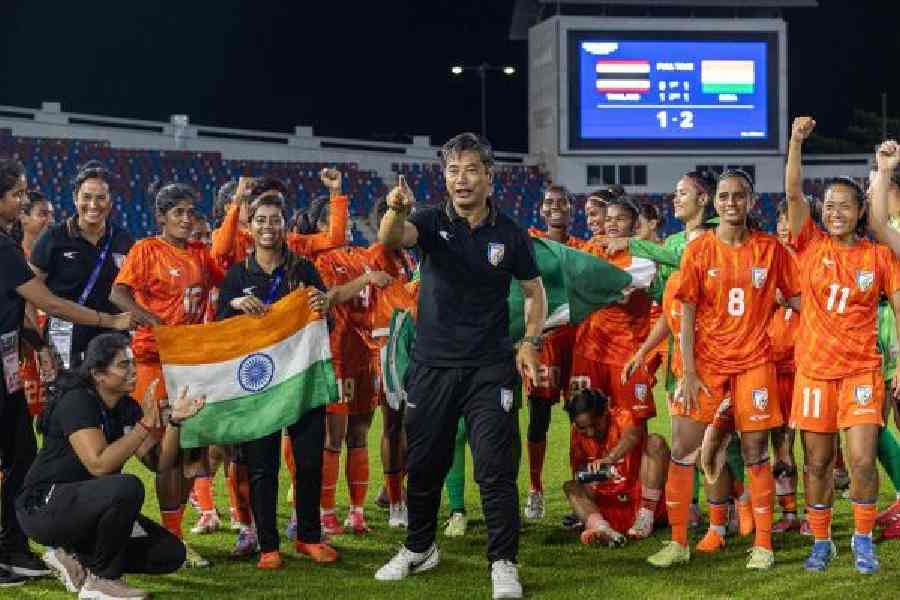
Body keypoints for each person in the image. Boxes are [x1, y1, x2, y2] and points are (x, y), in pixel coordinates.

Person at [374, 133, 545, 600]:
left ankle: (503, 563)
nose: (461, 179)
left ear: (490, 177)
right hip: (432, 367)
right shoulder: (428, 222)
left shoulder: (510, 234)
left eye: (471, 170)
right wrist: (396, 208)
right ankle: (419, 548)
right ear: (444, 177)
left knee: (494, 469)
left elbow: (534, 291)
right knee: (425, 464)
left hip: (490, 368)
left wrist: (529, 341)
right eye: (453, 170)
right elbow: (391, 237)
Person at [216, 190, 388, 569]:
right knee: (262, 467)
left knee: (308, 462)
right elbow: (218, 328)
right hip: (258, 386)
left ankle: (309, 537)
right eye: (260, 220)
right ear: (250, 225)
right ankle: (268, 546)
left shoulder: (303, 270)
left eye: (275, 220)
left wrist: (320, 306)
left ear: (284, 226)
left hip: (301, 381)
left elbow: (323, 316)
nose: (267, 227)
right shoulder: (237, 277)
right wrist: (233, 305)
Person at [648, 168, 797, 571]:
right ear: (715, 204)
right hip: (707, 368)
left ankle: (763, 544)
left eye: (739, 196)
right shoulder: (698, 250)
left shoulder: (771, 249)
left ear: (751, 202)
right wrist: (690, 372)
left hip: (755, 365)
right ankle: (678, 541)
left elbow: (799, 299)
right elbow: (687, 315)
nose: (732, 203)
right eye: (724, 197)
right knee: (682, 450)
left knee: (755, 453)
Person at [0, 158, 133, 588]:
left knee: (23, 452)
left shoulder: (9, 238)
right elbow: (44, 301)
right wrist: (106, 322)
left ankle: (18, 547)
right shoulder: (32, 243)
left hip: (16, 364)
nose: (24, 202)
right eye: (18, 194)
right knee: (38, 448)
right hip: (58, 354)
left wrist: (30, 343)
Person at [785, 119, 900, 574]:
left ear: (859, 212)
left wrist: (883, 171)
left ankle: (862, 538)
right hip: (814, 372)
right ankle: (820, 542)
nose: (835, 213)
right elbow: (794, 193)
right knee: (816, 464)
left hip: (861, 372)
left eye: (844, 207)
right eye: (829, 206)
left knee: (861, 460)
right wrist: (796, 143)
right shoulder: (809, 244)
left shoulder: (879, 256)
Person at [16, 333, 203, 599]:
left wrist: (175, 422)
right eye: (123, 365)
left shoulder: (126, 407)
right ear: (98, 374)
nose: (133, 371)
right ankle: (101, 580)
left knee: (170, 554)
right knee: (126, 487)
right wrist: (144, 426)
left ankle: (75, 558)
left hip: (89, 507)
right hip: (45, 506)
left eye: (132, 363)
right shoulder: (78, 400)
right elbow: (99, 465)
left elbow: (160, 463)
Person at [110, 182, 225, 568]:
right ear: (161, 217)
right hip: (153, 363)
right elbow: (118, 293)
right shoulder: (146, 250)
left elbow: (229, 280)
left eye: (191, 213)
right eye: (178, 212)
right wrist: (150, 319)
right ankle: (163, 536)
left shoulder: (200, 254)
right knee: (163, 456)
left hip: (191, 365)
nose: (187, 219)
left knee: (191, 454)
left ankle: (175, 537)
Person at [29, 162, 135, 371]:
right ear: (75, 199)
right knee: (67, 400)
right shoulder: (53, 238)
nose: (93, 205)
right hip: (65, 340)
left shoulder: (124, 240)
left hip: (112, 340)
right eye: (86, 197)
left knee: (112, 401)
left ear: (110, 202)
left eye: (100, 197)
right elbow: (29, 298)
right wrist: (39, 345)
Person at [523, 184, 585, 520]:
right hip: (545, 340)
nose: (556, 207)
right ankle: (535, 488)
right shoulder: (532, 246)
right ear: (542, 210)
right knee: (539, 419)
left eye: (562, 202)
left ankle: (582, 486)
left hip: (577, 341)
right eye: (550, 202)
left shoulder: (583, 249)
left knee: (581, 417)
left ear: (571, 209)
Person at [563, 389, 669, 546]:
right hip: (608, 505)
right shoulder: (577, 433)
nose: (590, 432)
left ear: (606, 411)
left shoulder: (622, 415)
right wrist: (590, 477)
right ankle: (603, 529)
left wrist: (609, 459)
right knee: (571, 486)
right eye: (583, 428)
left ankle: (645, 518)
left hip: (638, 497)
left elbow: (633, 435)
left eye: (595, 424)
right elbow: (579, 476)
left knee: (656, 442)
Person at [769, 201, 803, 533]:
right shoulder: (768, 258)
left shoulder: (811, 256)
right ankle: (789, 514)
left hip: (805, 364)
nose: (783, 226)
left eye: (789, 220)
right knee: (780, 443)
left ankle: (815, 513)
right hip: (774, 364)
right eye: (780, 220)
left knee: (814, 442)